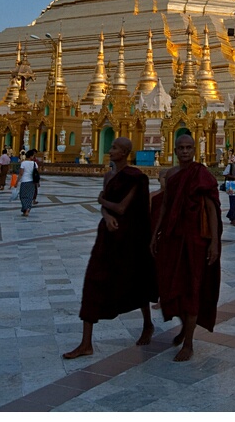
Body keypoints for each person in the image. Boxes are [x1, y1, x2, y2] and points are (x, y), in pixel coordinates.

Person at [63, 137, 157, 359]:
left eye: (114, 147)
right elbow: (107, 206)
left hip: (130, 237)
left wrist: (102, 202)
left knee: (136, 280)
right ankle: (86, 343)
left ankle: (147, 324)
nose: (110, 150)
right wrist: (105, 214)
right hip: (108, 235)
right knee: (93, 282)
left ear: (124, 152)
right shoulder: (109, 176)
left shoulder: (137, 178)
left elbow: (122, 208)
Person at [151, 133, 222, 362]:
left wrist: (214, 242)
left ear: (194, 150)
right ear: (174, 149)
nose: (184, 151)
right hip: (173, 238)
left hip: (195, 240)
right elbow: (165, 207)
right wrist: (155, 234)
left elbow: (211, 209)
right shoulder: (171, 175)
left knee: (191, 288)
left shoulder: (201, 174)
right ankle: (184, 327)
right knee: (171, 288)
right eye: (180, 147)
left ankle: (189, 343)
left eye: (188, 147)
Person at [150, 168, 167, 310]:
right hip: (154, 235)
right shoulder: (153, 196)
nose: (166, 181)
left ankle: (165, 298)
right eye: (163, 178)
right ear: (158, 179)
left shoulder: (175, 197)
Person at [15, 148, 38, 216]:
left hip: (24, 181)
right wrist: (37, 182)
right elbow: (36, 173)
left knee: (22, 196)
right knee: (29, 196)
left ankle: (25, 208)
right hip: (32, 182)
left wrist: (17, 182)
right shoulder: (35, 164)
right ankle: (27, 208)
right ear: (31, 156)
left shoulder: (23, 163)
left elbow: (21, 174)